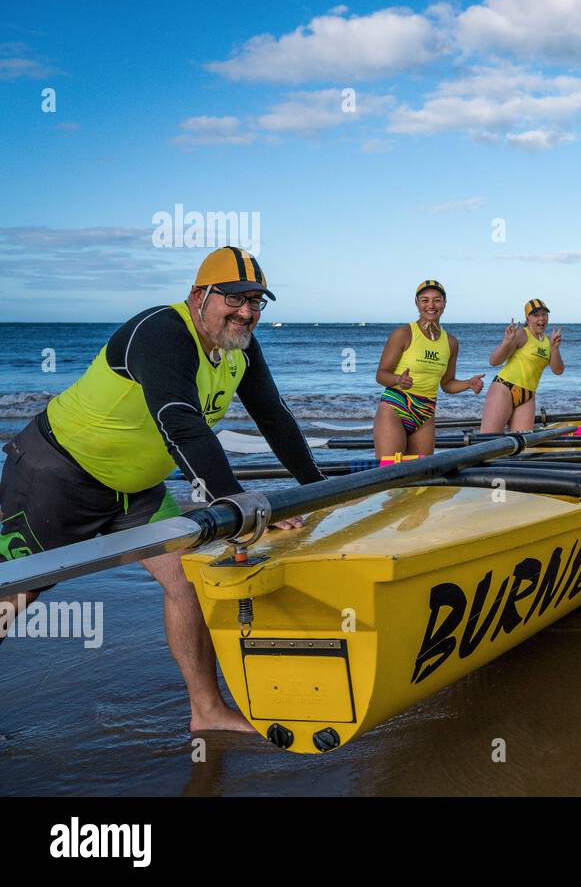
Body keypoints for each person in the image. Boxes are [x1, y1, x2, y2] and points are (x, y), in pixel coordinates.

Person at [0, 247, 325, 733]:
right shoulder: (161, 331)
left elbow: (274, 418)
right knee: (13, 596)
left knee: (186, 584)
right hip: (56, 473)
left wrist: (316, 488)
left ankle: (207, 712)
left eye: (257, 301)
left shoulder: (242, 348)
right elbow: (181, 423)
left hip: (136, 490)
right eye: (234, 299)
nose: (247, 311)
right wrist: (238, 499)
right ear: (199, 296)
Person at [373, 280, 483, 460]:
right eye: (425, 300)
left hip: (425, 411)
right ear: (417, 303)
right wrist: (398, 380)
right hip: (396, 406)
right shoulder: (403, 333)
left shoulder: (451, 342)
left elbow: (447, 384)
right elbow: (381, 374)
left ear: (444, 304)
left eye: (437, 300)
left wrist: (468, 384)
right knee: (391, 472)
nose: (431, 305)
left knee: (420, 475)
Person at [480, 299, 564, 433]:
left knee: (521, 445)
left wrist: (554, 348)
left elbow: (558, 370)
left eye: (544, 314)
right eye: (536, 315)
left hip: (528, 395)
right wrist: (507, 342)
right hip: (504, 388)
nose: (541, 318)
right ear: (528, 318)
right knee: (488, 441)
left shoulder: (549, 341)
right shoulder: (521, 334)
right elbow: (494, 361)